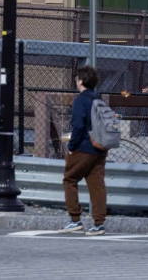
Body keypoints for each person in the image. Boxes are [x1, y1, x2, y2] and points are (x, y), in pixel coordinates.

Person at [61, 65, 107, 236]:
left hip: (84, 147)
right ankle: (99, 223)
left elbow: (78, 126)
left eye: (77, 79)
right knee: (97, 185)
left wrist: (72, 147)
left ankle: (75, 219)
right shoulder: (98, 99)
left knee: (69, 179)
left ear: (80, 81)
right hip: (100, 148)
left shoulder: (80, 100)